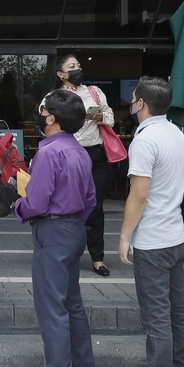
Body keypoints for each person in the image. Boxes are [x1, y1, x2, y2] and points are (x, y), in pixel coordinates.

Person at [114, 76, 184, 367]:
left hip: (154, 240)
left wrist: (124, 235)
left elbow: (139, 194)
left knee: (157, 318)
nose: (130, 105)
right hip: (176, 236)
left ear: (141, 103)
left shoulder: (144, 140)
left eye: (132, 100)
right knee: (178, 312)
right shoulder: (176, 132)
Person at [15, 89, 98, 367]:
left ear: (51, 117)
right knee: (71, 303)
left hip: (53, 229)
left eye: (42, 109)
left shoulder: (48, 152)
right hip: (75, 227)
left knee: (52, 308)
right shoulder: (80, 150)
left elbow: (35, 202)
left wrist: (18, 205)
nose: (40, 113)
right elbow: (90, 199)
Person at [55, 54, 115, 277]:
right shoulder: (54, 97)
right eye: (72, 67)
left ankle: (98, 258)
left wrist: (100, 117)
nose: (77, 69)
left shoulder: (94, 92)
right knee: (69, 206)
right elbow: (46, 126)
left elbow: (110, 118)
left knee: (96, 207)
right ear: (61, 74)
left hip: (95, 154)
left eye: (78, 65)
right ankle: (68, 253)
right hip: (68, 154)